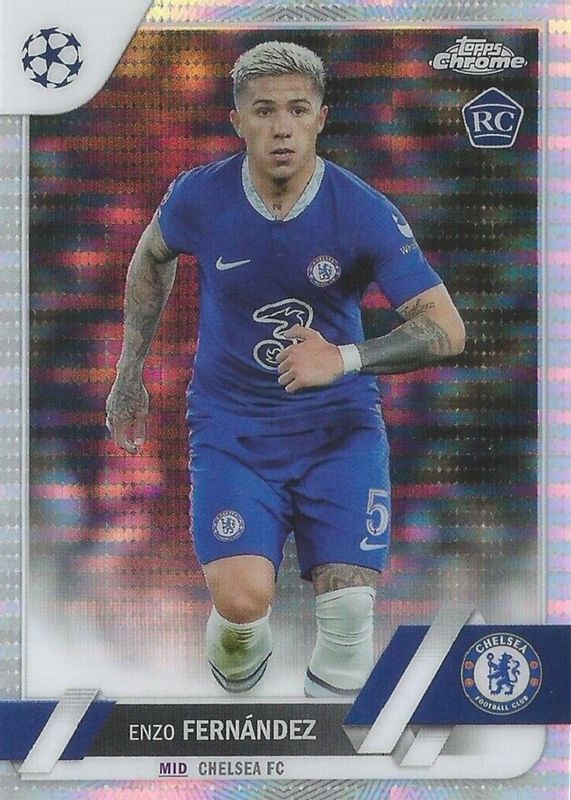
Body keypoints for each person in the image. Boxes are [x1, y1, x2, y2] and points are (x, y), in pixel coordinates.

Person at [105, 41, 465, 698]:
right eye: (264, 110)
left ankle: (322, 750)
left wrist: (345, 358)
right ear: (237, 120)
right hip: (232, 429)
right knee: (243, 607)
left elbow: (446, 329)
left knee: (349, 618)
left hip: (338, 430)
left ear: (320, 118)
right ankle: (240, 675)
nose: (281, 127)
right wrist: (130, 372)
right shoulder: (199, 197)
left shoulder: (362, 211)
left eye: (298, 110)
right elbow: (152, 256)